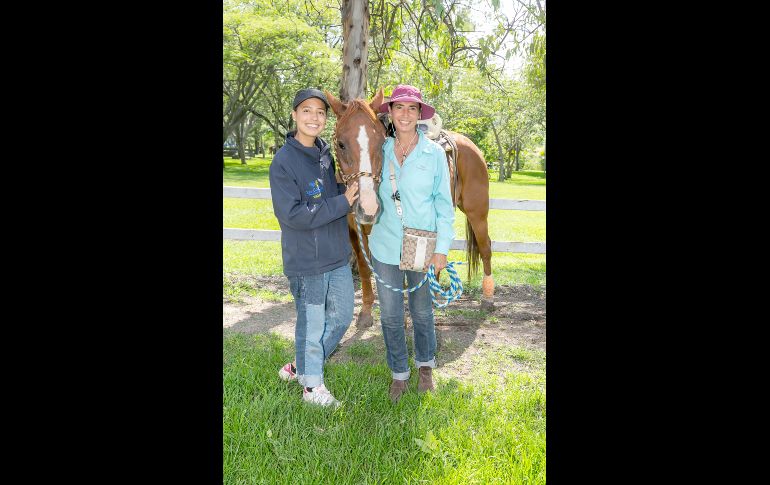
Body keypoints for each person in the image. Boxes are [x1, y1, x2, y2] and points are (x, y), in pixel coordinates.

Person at [268, 88, 360, 408]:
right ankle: (312, 388)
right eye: (306, 111)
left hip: (336, 255)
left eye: (320, 112)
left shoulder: (325, 154)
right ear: (294, 115)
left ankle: (301, 366)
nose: (314, 117)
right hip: (307, 261)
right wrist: (342, 202)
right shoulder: (283, 162)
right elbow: (292, 215)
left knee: (343, 316)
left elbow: (333, 192)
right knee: (312, 324)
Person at [370, 84, 455, 403]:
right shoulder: (381, 149)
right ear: (389, 113)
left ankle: (425, 368)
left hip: (422, 243)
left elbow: (444, 205)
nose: (404, 114)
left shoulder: (434, 154)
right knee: (390, 315)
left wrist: (442, 248)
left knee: (422, 312)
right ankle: (398, 374)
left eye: (411, 108)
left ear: (420, 115)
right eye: (398, 107)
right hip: (385, 243)